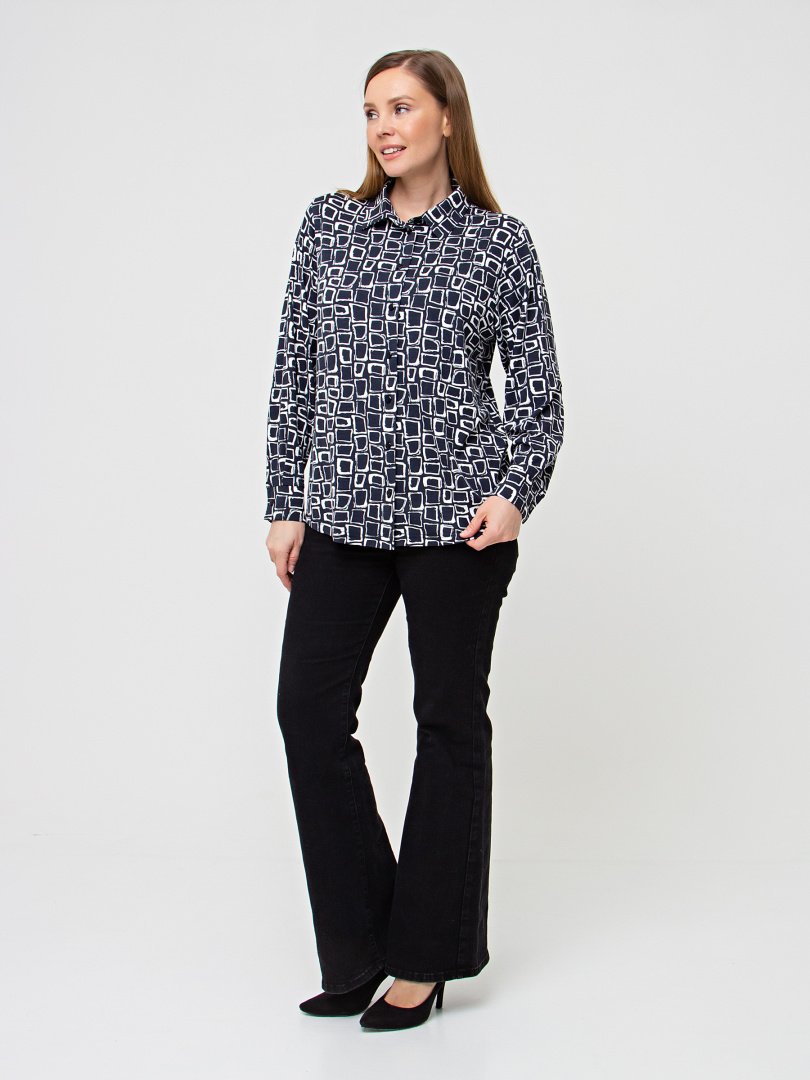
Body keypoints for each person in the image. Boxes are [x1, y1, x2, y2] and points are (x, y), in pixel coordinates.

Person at [264, 49, 564, 1031]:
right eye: (370, 112)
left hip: (458, 523)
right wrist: (285, 501)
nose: (382, 127)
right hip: (343, 516)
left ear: (446, 119)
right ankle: (360, 945)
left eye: (400, 107)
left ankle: (424, 959)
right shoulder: (329, 227)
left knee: (448, 722)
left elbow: (539, 393)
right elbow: (296, 371)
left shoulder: (498, 243)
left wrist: (515, 495)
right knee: (309, 711)